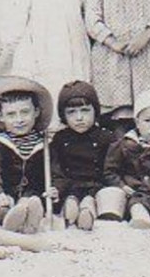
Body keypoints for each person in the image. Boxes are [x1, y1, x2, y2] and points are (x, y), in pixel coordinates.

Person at [0, 75, 55, 234]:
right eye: (11, 115)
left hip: (33, 193)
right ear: (1, 116)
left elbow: (56, 171)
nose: (19, 120)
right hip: (5, 192)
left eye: (25, 112)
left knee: (30, 202)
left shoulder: (44, 143)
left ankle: (29, 222)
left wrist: (56, 188)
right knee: (2, 207)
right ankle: (11, 222)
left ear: (36, 112)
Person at [100, 89, 150, 227]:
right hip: (135, 190)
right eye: (147, 121)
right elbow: (110, 171)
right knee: (136, 203)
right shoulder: (125, 144)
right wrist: (122, 185)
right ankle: (140, 218)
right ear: (137, 122)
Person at [49, 81, 114, 230]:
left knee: (91, 199)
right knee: (69, 198)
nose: (79, 118)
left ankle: (87, 210)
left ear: (95, 111)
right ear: (63, 115)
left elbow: (111, 168)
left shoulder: (106, 137)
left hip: (96, 185)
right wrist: (57, 188)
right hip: (69, 185)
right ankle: (70, 208)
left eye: (85, 110)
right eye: (71, 112)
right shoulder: (60, 139)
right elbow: (56, 168)